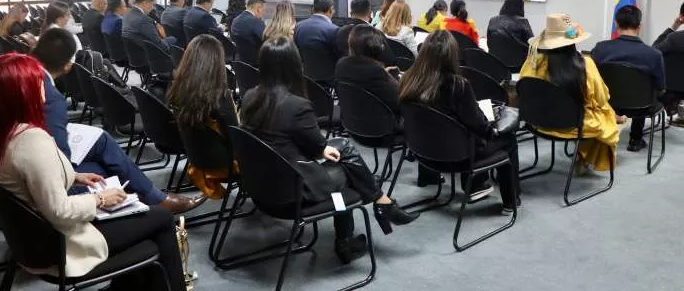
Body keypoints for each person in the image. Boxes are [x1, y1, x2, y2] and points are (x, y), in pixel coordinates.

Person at [0, 53, 187, 291]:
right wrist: (100, 199)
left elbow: (28, 175)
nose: (46, 86)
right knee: (160, 218)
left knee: (141, 218)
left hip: (35, 239)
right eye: (39, 82)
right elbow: (59, 211)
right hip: (62, 241)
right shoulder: (31, 141)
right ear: (23, 93)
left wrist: (75, 176)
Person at [241, 37, 416, 262]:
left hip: (262, 185)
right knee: (347, 170)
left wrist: (321, 149)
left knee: (342, 151)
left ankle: (379, 205)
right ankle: (358, 229)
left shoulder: (249, 97)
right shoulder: (296, 106)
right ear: (295, 65)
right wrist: (322, 149)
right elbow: (315, 149)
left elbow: (303, 145)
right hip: (291, 193)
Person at [32, 28, 207, 212]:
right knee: (105, 167)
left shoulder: (26, 74)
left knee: (103, 148)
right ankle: (152, 200)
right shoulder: (50, 97)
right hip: (47, 176)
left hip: (32, 158)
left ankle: (149, 198)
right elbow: (61, 160)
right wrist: (75, 176)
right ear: (68, 66)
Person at [399, 30, 521, 212]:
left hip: (422, 153)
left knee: (451, 129)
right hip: (457, 157)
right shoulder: (458, 86)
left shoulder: (408, 80)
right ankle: (510, 202)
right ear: (452, 56)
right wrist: (493, 128)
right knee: (508, 141)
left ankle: (474, 185)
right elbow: (478, 126)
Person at [521, 14, 618, 175]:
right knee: (605, 114)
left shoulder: (532, 63)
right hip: (573, 126)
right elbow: (601, 98)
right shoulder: (585, 65)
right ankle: (584, 158)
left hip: (537, 122)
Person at [167, 35, 239, 199]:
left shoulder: (177, 88)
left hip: (197, 157)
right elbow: (236, 139)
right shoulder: (220, 97)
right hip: (223, 164)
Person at [591, 6, 664, 152]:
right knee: (646, 93)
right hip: (642, 107)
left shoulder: (600, 48)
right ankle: (635, 140)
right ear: (639, 26)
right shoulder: (653, 54)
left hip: (607, 103)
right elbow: (660, 86)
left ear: (616, 24)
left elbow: (592, 78)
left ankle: (601, 136)